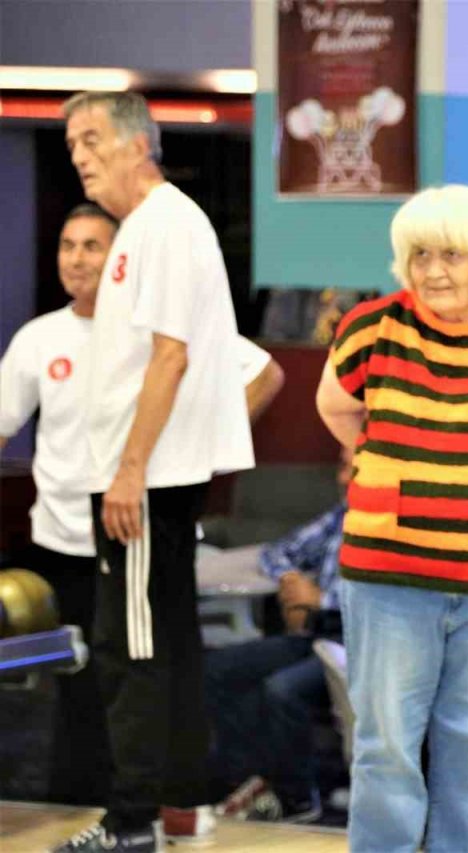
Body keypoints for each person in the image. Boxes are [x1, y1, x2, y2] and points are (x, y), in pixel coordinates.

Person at [0, 204, 283, 811]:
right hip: (64, 541)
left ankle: (161, 810)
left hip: (139, 530)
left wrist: (191, 455)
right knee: (77, 694)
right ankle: (82, 810)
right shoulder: (39, 338)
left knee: (149, 680)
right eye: (68, 245)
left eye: (94, 247)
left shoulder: (153, 334)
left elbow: (265, 374)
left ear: (122, 259)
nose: (78, 258)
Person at [52, 91, 254, 853]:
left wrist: (130, 470)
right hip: (144, 473)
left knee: (129, 649)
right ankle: (175, 808)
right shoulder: (143, 229)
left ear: (141, 144)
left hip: (147, 476)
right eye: (72, 141)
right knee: (161, 642)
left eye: (93, 136)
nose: (80, 152)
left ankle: (130, 820)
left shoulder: (166, 224)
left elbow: (170, 355)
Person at [314, 184, 468, 853]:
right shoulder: (371, 328)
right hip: (387, 581)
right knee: (385, 748)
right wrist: (379, 459)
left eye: (452, 255)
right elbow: (336, 406)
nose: (433, 269)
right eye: (419, 254)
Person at [203, 447, 352, 825]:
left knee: (282, 690)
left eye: (353, 467)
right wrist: (292, 581)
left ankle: (299, 801)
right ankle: (250, 779)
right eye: (341, 466)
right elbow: (278, 552)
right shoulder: (340, 517)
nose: (342, 477)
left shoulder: (393, 520)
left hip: (362, 642)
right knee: (219, 668)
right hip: (315, 634)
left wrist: (321, 599)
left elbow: (393, 595)